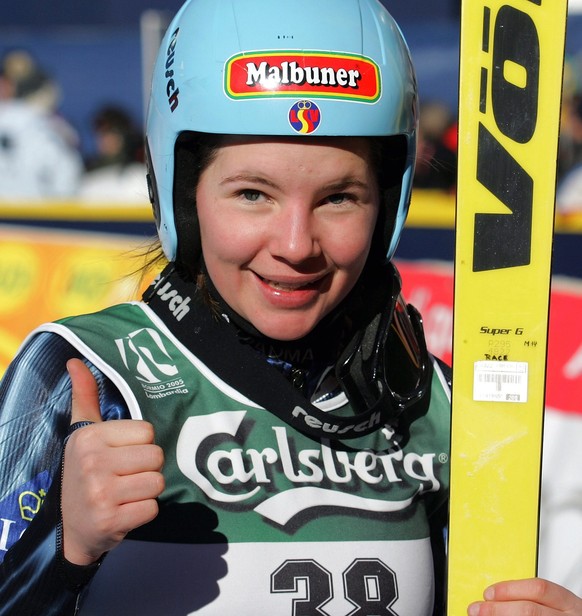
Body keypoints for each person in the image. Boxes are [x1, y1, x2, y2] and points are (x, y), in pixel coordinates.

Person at [0, 0, 580, 614]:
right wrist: (65, 550)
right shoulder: (88, 374)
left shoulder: (430, 402)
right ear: (182, 193)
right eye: (253, 194)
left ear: (388, 205)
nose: (297, 245)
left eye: (338, 198)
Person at [0, 49, 83, 199]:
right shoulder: (50, 126)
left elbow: (66, 174)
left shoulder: (53, 125)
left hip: (33, 210)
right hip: (34, 210)